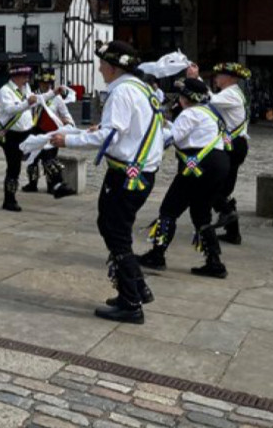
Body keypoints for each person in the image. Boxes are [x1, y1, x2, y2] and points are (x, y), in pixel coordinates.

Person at [52, 40, 163, 324]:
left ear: (113, 67)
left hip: (127, 175)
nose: (99, 68)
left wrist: (69, 139)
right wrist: (101, 127)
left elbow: (108, 137)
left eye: (102, 63)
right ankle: (136, 287)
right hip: (136, 171)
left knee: (116, 233)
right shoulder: (140, 88)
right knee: (110, 226)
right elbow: (122, 129)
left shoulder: (122, 92)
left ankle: (131, 303)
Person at [138, 78, 230, 278]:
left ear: (185, 98)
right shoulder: (210, 112)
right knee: (201, 213)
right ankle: (214, 262)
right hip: (219, 164)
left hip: (197, 166)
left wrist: (148, 132)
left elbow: (171, 137)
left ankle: (157, 254)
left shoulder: (189, 113)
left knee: (169, 210)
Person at [203, 62, 253, 246]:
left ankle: (226, 213)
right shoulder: (233, 93)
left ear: (231, 78)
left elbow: (209, 100)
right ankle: (233, 232)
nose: (216, 78)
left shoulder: (231, 93)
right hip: (234, 144)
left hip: (232, 144)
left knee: (212, 185)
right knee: (224, 188)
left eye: (219, 75)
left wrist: (195, 80)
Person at [0, 63, 45, 212]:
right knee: (14, 166)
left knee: (44, 152)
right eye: (24, 76)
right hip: (11, 134)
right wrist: (26, 103)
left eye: (27, 76)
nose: (27, 79)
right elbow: (10, 110)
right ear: (16, 76)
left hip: (27, 131)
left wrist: (54, 93)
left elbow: (36, 100)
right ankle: (9, 199)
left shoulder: (26, 88)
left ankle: (45, 183)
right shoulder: (5, 91)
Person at [24, 68, 75, 197]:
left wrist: (67, 122)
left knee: (50, 159)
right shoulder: (33, 96)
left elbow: (65, 113)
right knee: (33, 159)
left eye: (49, 83)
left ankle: (52, 185)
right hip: (34, 130)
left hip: (50, 132)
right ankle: (32, 183)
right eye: (43, 82)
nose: (46, 85)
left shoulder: (57, 98)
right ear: (39, 83)